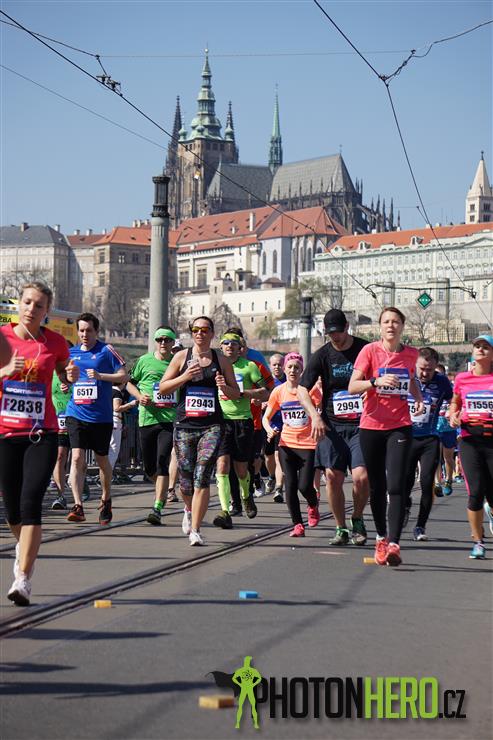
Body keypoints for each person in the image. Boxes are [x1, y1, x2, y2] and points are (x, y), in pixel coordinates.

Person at [0, 281, 78, 606]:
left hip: (40, 433)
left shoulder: (55, 342)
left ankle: (23, 578)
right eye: (28, 302)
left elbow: (64, 374)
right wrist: (5, 370)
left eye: (39, 305)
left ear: (47, 311)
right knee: (12, 509)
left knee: (31, 501)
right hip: (6, 434)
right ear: (18, 304)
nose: (32, 309)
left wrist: (69, 375)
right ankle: (26, 547)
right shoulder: (2, 338)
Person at [348, 307, 424, 566]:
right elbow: (352, 386)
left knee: (397, 485)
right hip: (371, 426)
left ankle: (394, 543)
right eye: (386, 322)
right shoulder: (369, 351)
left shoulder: (411, 354)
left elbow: (411, 380)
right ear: (380, 326)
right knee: (377, 486)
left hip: (400, 426)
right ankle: (381, 537)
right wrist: (374, 382)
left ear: (402, 326)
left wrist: (418, 398)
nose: (391, 325)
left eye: (395, 321)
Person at [159, 316, 240, 545]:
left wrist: (224, 387)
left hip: (211, 426)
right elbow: (163, 388)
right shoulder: (181, 357)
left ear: (212, 333)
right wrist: (184, 377)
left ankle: (195, 530)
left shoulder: (221, 360)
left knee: (202, 475)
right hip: (185, 425)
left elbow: (236, 393)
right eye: (195, 329)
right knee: (185, 481)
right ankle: (188, 509)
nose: (200, 333)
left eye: (205, 330)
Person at [298, 309, 370, 546]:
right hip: (331, 425)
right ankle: (341, 528)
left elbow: (380, 376)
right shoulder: (322, 355)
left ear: (347, 327)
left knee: (361, 477)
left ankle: (357, 518)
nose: (335, 337)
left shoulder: (364, 349)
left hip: (361, 425)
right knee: (332, 477)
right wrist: (315, 417)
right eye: (330, 333)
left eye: (338, 332)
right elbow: (302, 389)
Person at [65, 313, 127, 525]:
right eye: (81, 330)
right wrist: (66, 382)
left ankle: (106, 498)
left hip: (101, 417)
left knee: (102, 461)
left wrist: (101, 376)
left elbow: (124, 376)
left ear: (96, 331)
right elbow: (66, 376)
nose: (84, 334)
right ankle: (78, 505)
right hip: (76, 413)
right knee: (76, 458)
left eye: (89, 330)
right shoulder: (71, 353)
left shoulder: (106, 351)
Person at [263, 352, 322, 537]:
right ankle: (297, 525)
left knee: (304, 486)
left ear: (302, 370)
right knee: (290, 485)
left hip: (308, 445)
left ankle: (313, 504)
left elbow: (321, 410)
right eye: (289, 367)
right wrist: (269, 430)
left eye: (297, 367)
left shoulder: (310, 390)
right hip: (286, 444)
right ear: (285, 368)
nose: (293, 370)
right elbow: (266, 417)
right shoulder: (279, 391)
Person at [214, 333, 270, 528]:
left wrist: (243, 393)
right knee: (222, 466)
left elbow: (266, 392)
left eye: (234, 343)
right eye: (226, 343)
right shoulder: (214, 367)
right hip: (221, 422)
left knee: (241, 469)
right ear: (221, 347)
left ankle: (246, 496)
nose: (230, 346)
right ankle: (225, 510)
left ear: (240, 348)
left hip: (243, 421)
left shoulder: (249, 366)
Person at [447, 335, 493, 559]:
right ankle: (478, 541)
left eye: (486, 347)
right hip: (469, 441)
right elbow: (455, 401)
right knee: (475, 492)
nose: (480, 349)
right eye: (477, 346)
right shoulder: (462, 379)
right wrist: (453, 415)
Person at [127, 326, 178, 525]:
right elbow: (129, 383)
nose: (163, 343)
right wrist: (140, 397)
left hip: (168, 419)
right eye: (159, 340)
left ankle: (157, 506)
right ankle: (163, 489)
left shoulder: (177, 363)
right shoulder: (144, 361)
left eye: (167, 340)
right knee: (149, 468)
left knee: (162, 460)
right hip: (147, 419)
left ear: (173, 342)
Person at [402, 347, 453, 540]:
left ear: (436, 368)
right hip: (407, 438)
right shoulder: (407, 379)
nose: (425, 373)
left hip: (430, 438)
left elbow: (454, 399)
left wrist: (453, 410)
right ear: (415, 365)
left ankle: (420, 526)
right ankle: (405, 504)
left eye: (429, 370)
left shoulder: (442, 382)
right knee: (405, 481)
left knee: (426, 482)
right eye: (421, 369)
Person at [50, 371, 72, 510]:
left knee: (77, 458)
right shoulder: (48, 371)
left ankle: (80, 479)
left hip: (77, 416)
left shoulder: (75, 369)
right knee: (59, 456)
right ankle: (60, 496)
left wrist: (72, 385)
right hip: (57, 418)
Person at [264, 353, 285, 498]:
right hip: (268, 424)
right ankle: (271, 476)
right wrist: (261, 402)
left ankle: (279, 488)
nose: (277, 367)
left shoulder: (288, 381)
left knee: (278, 457)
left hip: (283, 424)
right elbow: (259, 396)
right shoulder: (266, 381)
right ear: (270, 366)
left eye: (279, 364)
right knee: (268, 456)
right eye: (274, 364)